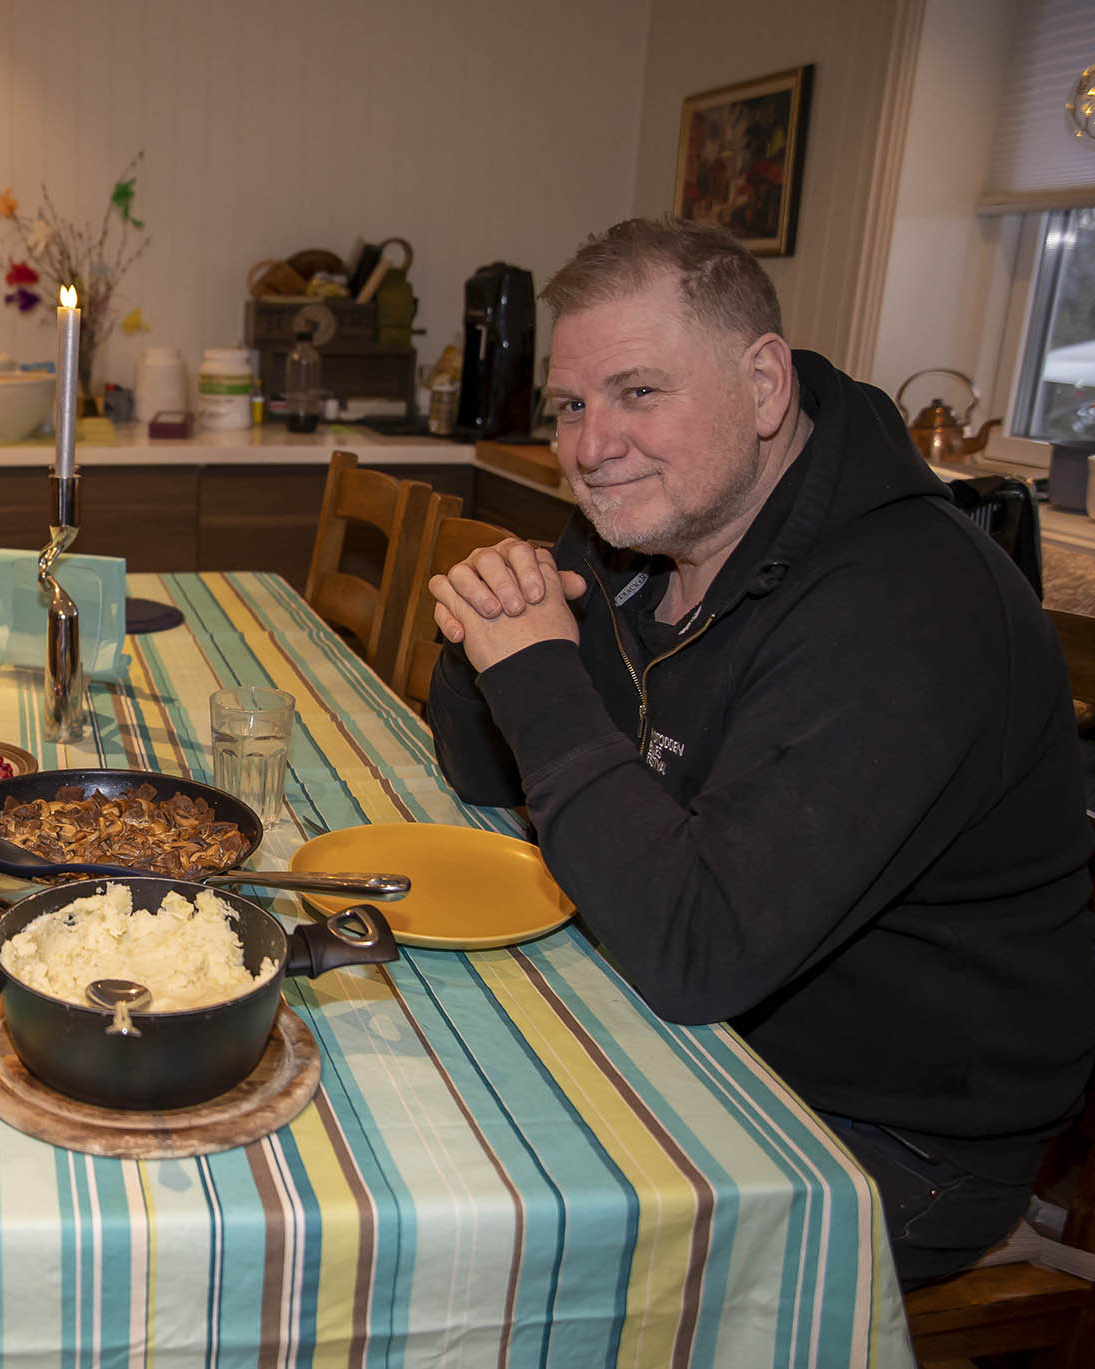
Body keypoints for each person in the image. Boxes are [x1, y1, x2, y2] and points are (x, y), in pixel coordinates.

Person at [425, 217, 1094, 1288]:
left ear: (764, 386)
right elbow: (484, 773)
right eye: (571, 404)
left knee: (476, 1258)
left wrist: (534, 674)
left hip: (883, 1137)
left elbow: (696, 950)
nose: (590, 445)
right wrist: (485, 652)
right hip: (705, 1027)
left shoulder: (904, 605)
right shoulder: (634, 536)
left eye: (638, 392)